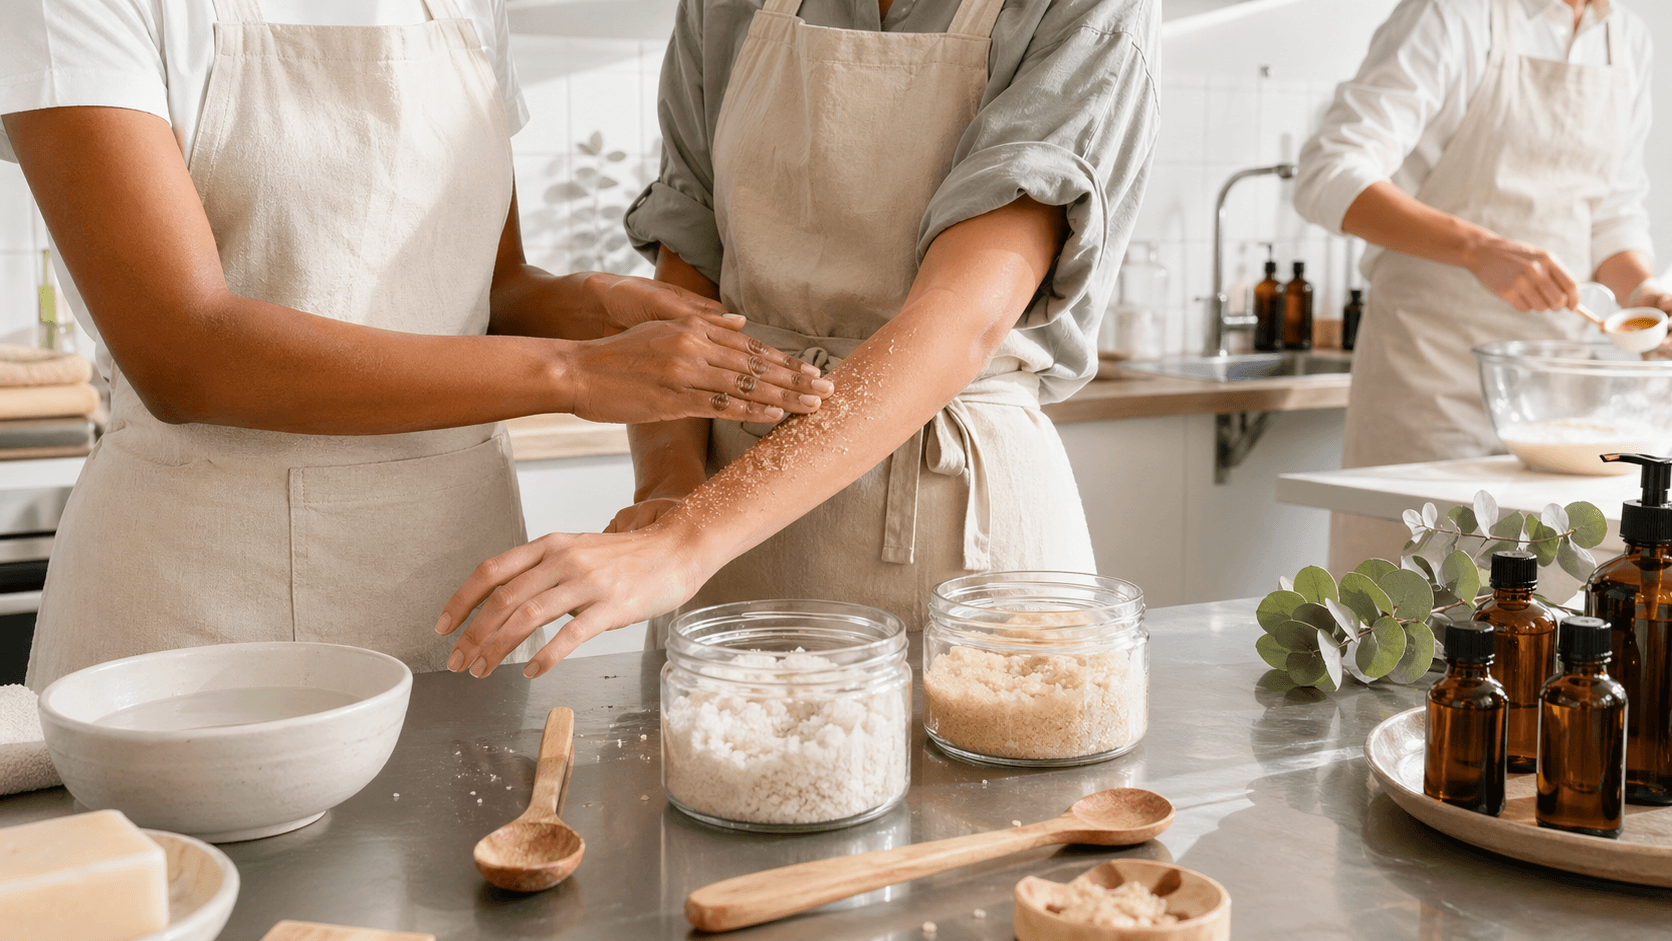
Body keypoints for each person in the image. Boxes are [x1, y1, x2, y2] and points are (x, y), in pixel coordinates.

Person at [1, 0, 831, 690]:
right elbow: (184, 353)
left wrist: (592, 304)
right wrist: (573, 372)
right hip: (199, 615)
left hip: (449, 596)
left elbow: (490, 289)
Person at [436, 0, 1160, 678]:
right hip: (727, 547)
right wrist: (670, 489)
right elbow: (692, 279)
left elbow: (959, 318)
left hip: (968, 557)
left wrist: (685, 543)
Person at [1292, 0, 1662, 570]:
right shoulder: (1451, 14)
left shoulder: (1626, 40)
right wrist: (1477, 249)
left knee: (1532, 611)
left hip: (1548, 400)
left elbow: (1612, 212)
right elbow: (1330, 172)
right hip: (1429, 379)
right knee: (1410, 604)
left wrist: (1643, 293)